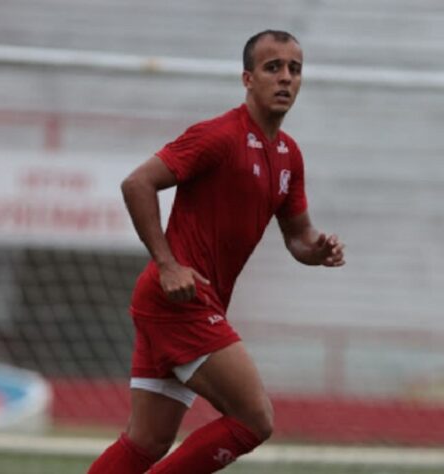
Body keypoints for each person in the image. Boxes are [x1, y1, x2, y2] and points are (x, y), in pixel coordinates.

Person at [88, 29, 345, 474]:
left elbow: (298, 236)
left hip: (182, 304)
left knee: (146, 441)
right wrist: (168, 264)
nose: (285, 78)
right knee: (254, 419)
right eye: (272, 67)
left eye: (294, 69)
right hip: (178, 303)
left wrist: (317, 249)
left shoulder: (289, 154)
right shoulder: (218, 136)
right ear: (248, 79)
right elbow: (137, 183)